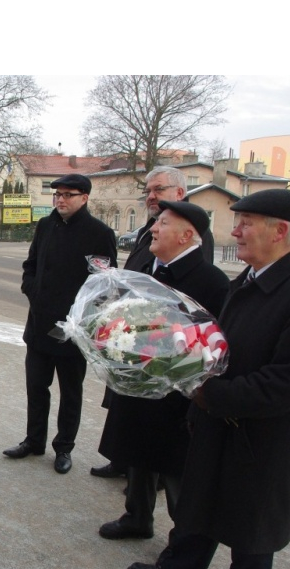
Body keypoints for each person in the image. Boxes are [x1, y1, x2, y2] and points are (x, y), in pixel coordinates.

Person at [126, 189, 290, 569]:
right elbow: (220, 347)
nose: (234, 232)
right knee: (201, 503)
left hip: (264, 438)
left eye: (245, 224)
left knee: (252, 527)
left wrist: (211, 393)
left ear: (279, 231)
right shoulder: (248, 280)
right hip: (217, 420)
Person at [96, 202, 229, 542]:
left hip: (177, 396)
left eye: (163, 223)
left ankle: (183, 540)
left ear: (187, 236)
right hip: (138, 385)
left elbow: (212, 341)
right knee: (138, 456)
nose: (153, 228)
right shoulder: (148, 268)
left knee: (175, 472)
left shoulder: (210, 281)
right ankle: (136, 517)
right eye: (155, 222)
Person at [91, 166, 214, 479]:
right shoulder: (150, 229)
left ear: (179, 193)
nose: (151, 196)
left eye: (158, 189)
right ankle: (129, 477)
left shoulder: (197, 237)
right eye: (148, 191)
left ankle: (146, 484)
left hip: (162, 362)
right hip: (138, 351)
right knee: (132, 432)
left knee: (158, 449)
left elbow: (191, 312)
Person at [3, 174, 117, 474]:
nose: (61, 200)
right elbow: (30, 265)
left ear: (84, 198)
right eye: (57, 195)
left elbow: (104, 284)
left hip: (72, 331)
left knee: (71, 392)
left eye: (68, 194)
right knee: (36, 387)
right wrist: (32, 289)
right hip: (40, 325)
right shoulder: (45, 226)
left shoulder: (99, 233)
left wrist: (82, 319)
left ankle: (64, 448)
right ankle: (34, 440)